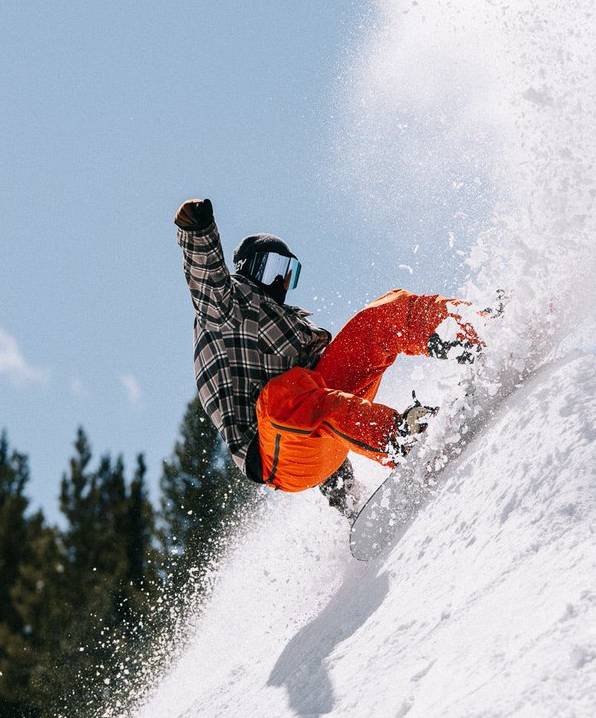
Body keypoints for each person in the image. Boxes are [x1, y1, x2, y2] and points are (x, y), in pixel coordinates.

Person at [175, 197, 483, 517]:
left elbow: (324, 403)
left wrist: (344, 492)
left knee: (379, 318)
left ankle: (480, 330)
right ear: (249, 269)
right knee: (285, 393)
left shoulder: (287, 325)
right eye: (273, 269)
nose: (281, 282)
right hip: (278, 457)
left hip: (320, 435)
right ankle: (402, 438)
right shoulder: (222, 309)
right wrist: (198, 229)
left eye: (289, 272)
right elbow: (208, 278)